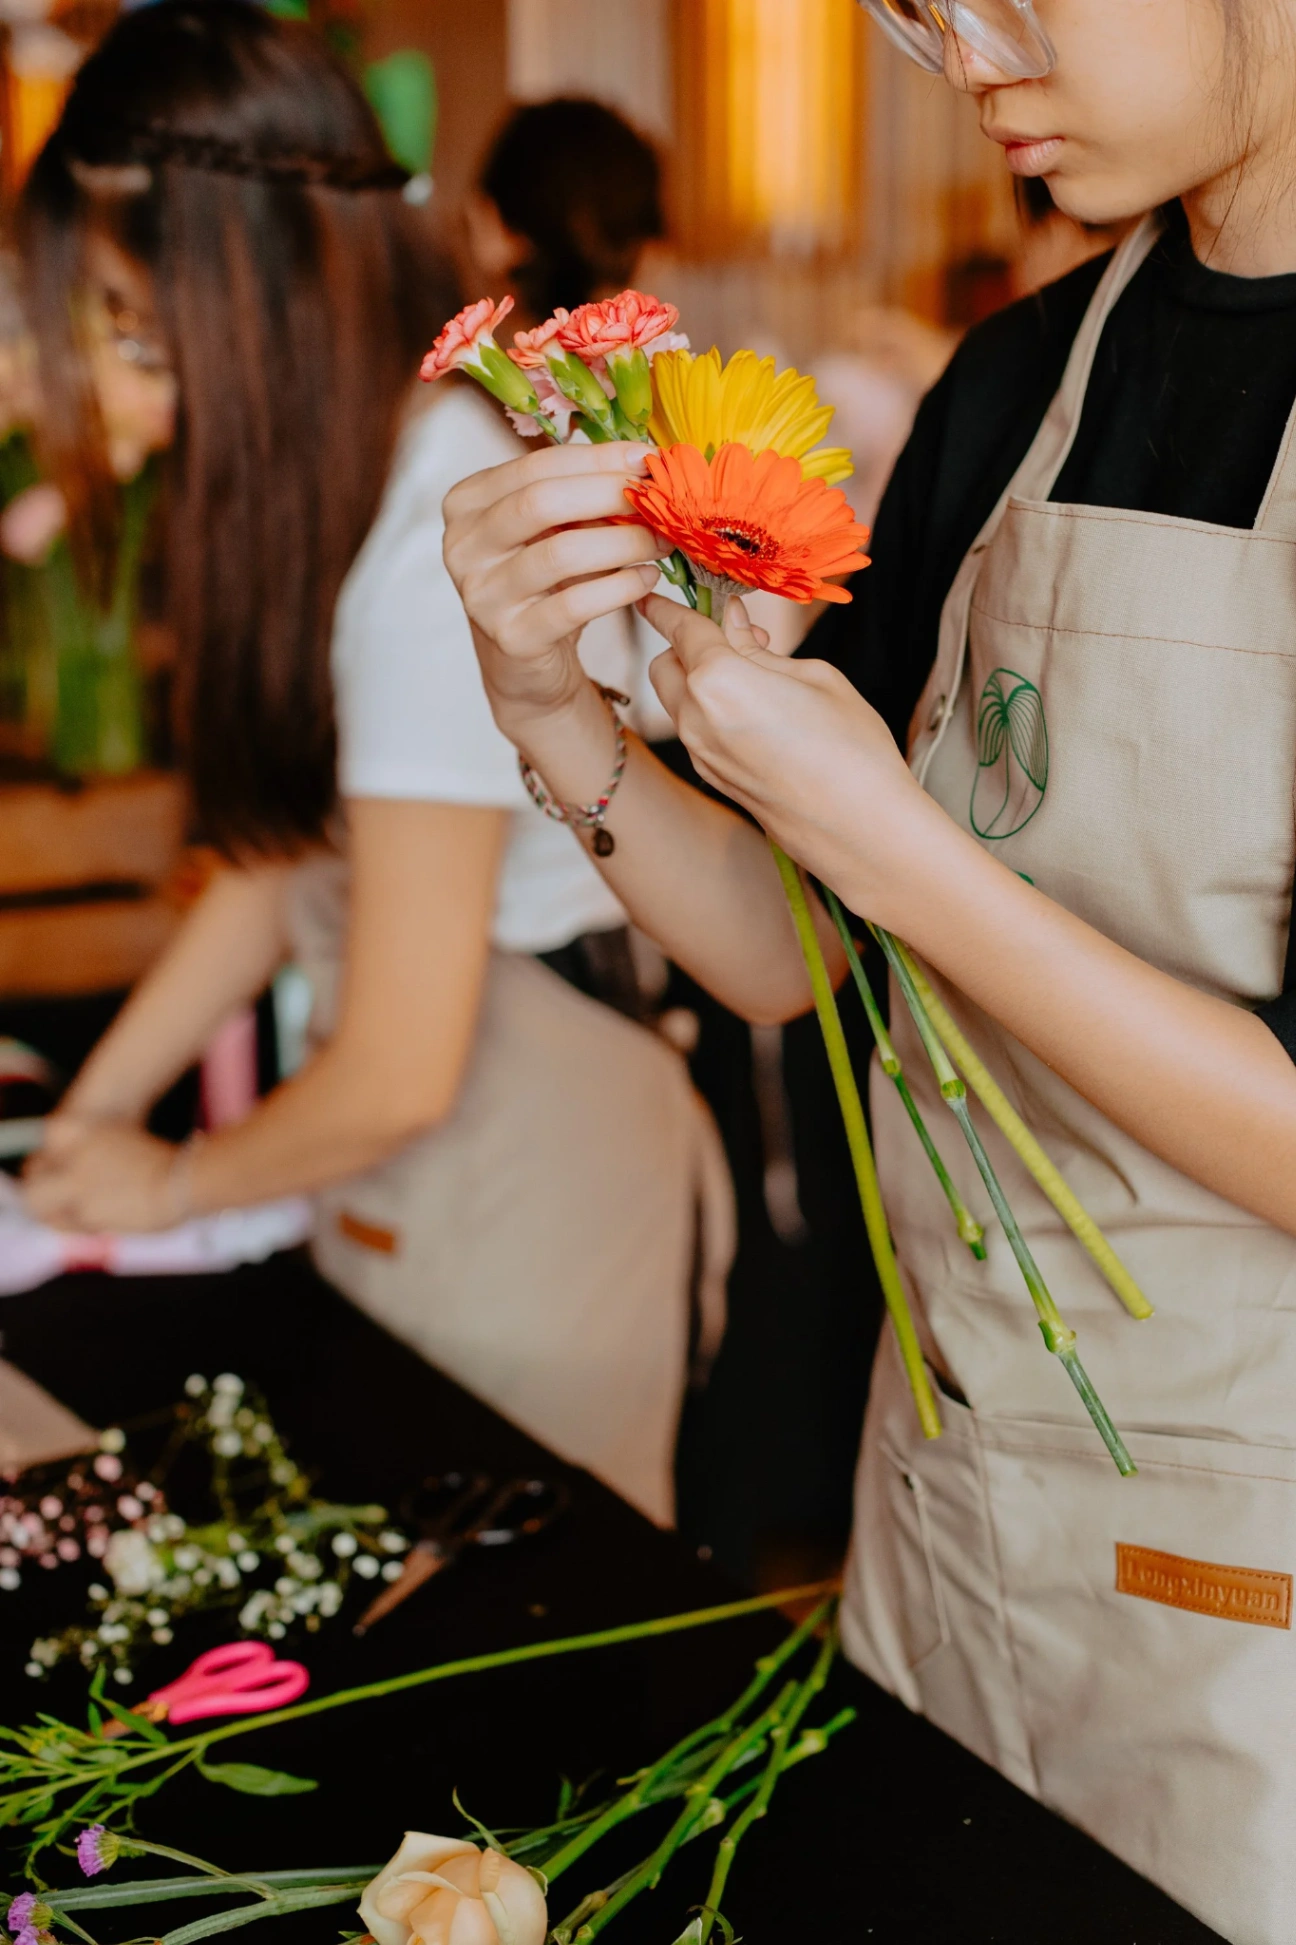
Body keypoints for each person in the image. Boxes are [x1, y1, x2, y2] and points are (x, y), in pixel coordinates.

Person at [442, 0, 1296, 1936]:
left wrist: (902, 850)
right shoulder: (1012, 383)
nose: (966, 59)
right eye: (918, 14)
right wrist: (553, 711)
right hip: (945, 1501)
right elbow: (788, 959)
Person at [20, 5, 729, 1528]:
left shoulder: (431, 527)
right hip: (426, 1127)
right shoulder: (358, 485)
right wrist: (107, 1115)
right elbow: (290, 860)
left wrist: (168, 1181)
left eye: (140, 332)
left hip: (523, 1138)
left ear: (249, 294)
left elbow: (402, 1060)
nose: (134, 393)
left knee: (519, 1635)